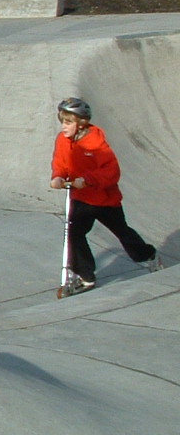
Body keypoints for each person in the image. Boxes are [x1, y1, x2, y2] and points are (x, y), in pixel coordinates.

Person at [50, 97, 162, 293]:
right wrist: (58, 177)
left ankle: (148, 255)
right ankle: (85, 276)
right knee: (74, 236)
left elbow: (112, 172)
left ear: (81, 123)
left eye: (68, 122)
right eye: (62, 121)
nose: (63, 126)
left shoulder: (95, 144)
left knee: (123, 233)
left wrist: (88, 179)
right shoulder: (63, 140)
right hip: (81, 198)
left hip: (105, 200)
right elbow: (60, 162)